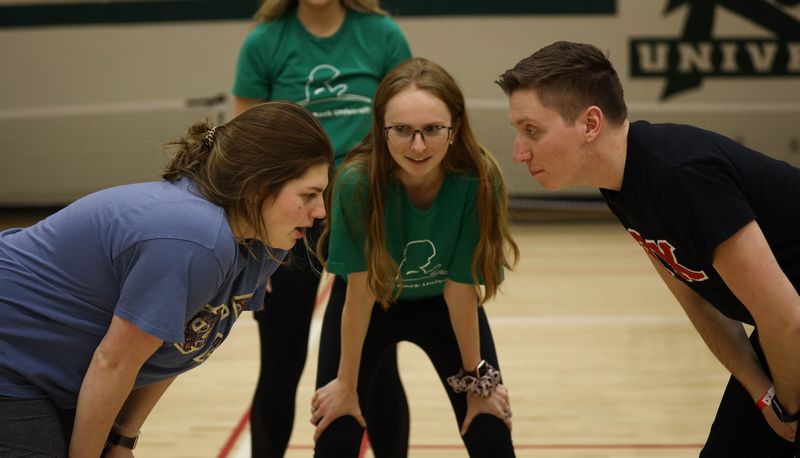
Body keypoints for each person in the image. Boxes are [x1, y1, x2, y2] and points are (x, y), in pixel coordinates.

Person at [497, 40, 800, 457]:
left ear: (590, 124)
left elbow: (786, 318)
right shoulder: (619, 184)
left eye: (531, 130)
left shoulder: (680, 176)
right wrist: (763, 395)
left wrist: (791, 408)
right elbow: (697, 302)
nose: (519, 151)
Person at [0, 101, 332, 457]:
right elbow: (113, 363)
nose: (321, 211)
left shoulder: (267, 239)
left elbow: (180, 348)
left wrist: (122, 439)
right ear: (256, 187)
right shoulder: (194, 239)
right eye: (308, 195)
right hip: (12, 360)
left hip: (55, 376)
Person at [310, 57, 519, 458]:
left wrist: (477, 385)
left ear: (454, 129)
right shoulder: (356, 183)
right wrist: (346, 388)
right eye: (402, 130)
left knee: (491, 431)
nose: (417, 146)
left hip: (443, 305)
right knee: (336, 434)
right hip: (369, 304)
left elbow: (461, 291)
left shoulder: (478, 180)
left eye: (432, 130)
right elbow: (360, 291)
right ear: (382, 130)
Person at [232, 0, 413, 456]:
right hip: (291, 217)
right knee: (281, 362)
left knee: (379, 362)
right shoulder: (264, 41)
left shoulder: (382, 34)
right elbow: (247, 142)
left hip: (367, 207)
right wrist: (253, 233)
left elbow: (406, 120)